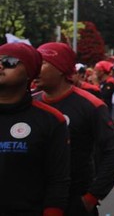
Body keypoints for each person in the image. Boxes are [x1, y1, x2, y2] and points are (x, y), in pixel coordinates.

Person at [34, 42, 114, 215]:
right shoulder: (30, 103)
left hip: (74, 202)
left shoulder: (91, 105)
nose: (35, 68)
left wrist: (91, 198)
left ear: (61, 68)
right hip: (34, 201)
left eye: (42, 63)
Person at [0, 42, 70, 215]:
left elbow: (58, 180)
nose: (0, 65)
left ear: (30, 73)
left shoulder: (51, 120)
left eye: (9, 61)